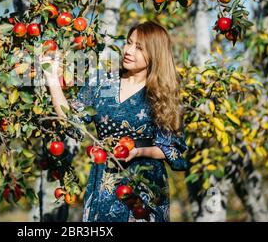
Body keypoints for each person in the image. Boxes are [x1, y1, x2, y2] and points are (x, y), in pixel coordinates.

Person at [40, 21, 190, 222]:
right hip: (105, 180)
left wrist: (138, 151)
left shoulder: (161, 93)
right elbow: (71, 122)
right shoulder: (103, 82)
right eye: (128, 43)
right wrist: (51, 77)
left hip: (145, 186)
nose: (128, 51)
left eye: (139, 48)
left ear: (155, 54)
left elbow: (173, 148)